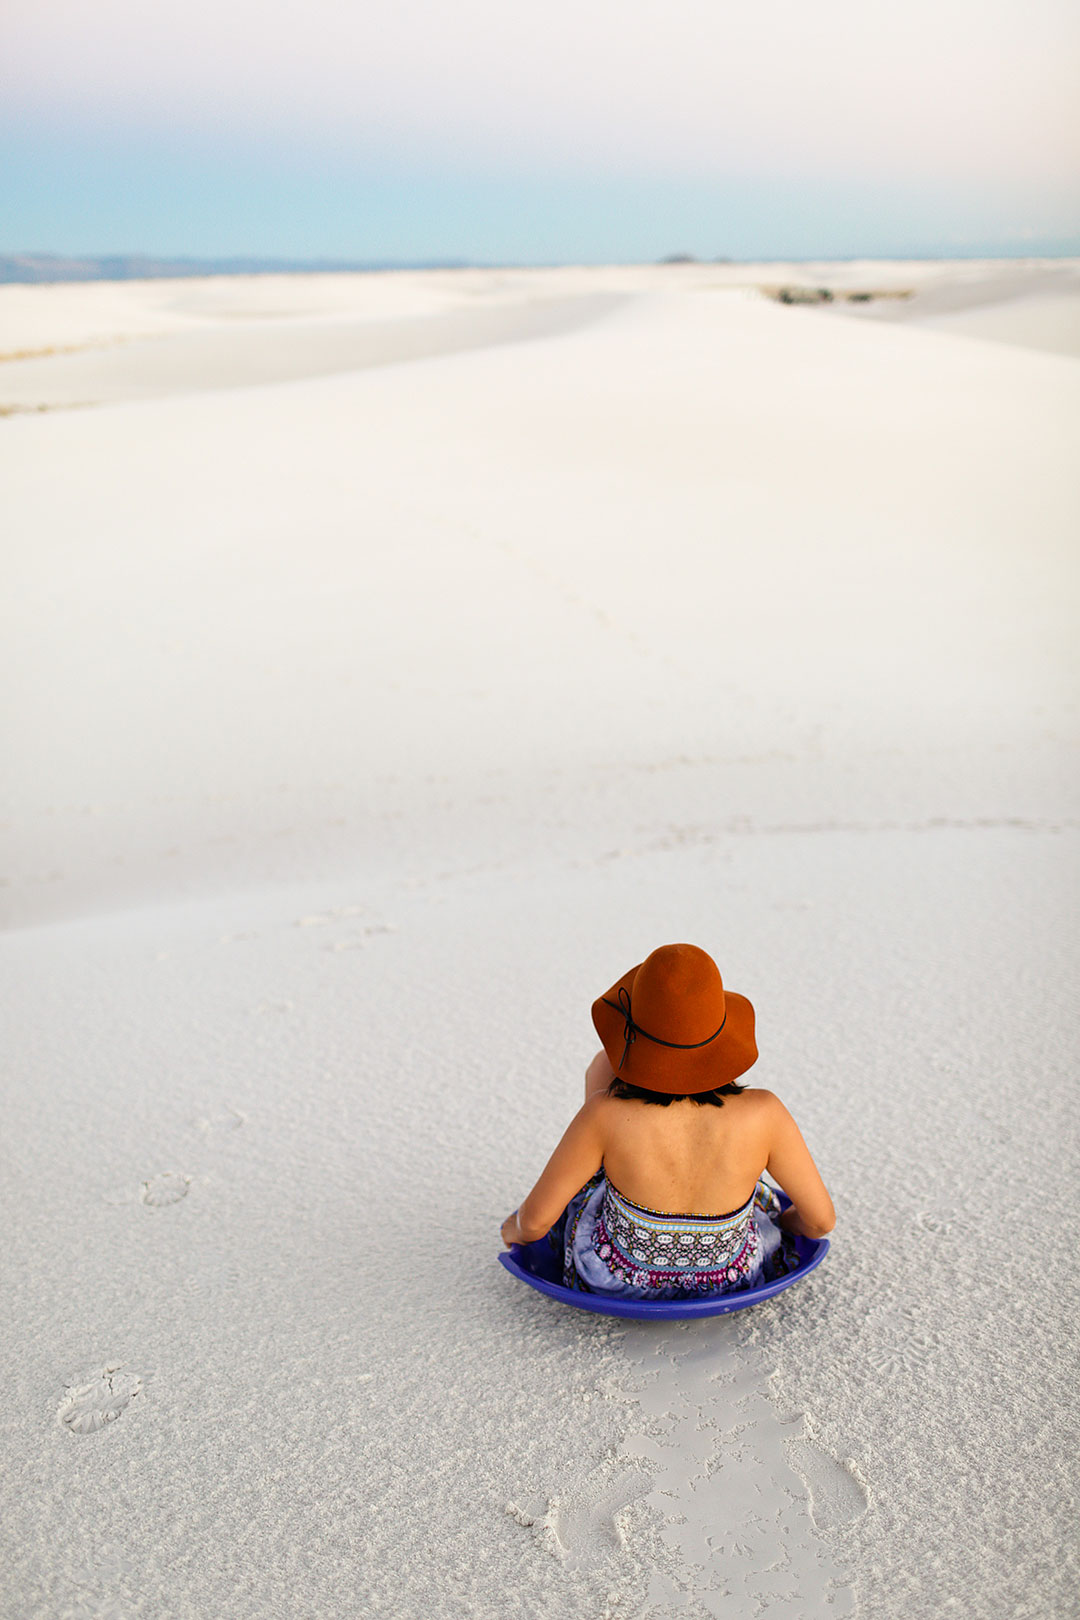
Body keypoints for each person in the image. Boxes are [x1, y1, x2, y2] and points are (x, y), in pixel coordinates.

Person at [500, 943, 834, 1300]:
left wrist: (512, 1231)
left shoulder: (604, 1113)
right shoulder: (765, 1112)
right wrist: (780, 1226)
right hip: (731, 1280)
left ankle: (607, 1158)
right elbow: (820, 1221)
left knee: (601, 1077)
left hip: (616, 1283)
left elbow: (534, 1223)